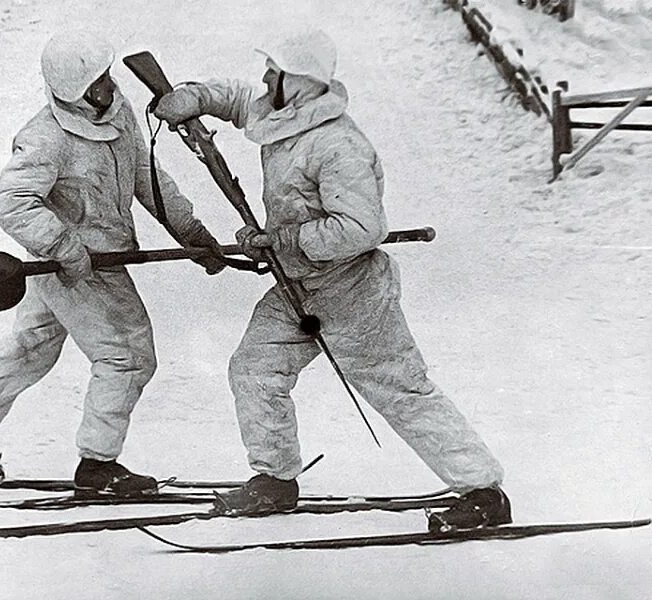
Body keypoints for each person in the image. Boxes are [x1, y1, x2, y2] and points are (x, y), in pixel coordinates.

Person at [153, 28, 510, 531]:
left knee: (400, 389)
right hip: (298, 284)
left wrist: (285, 239)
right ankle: (275, 481)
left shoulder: (339, 146)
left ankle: (482, 492)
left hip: (353, 290)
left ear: (298, 83)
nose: (264, 78)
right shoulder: (283, 113)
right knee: (255, 369)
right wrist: (193, 97)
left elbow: (363, 228)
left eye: (274, 71)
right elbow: (237, 99)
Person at [0, 32, 224, 496]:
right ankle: (98, 466)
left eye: (107, 75)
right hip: (76, 268)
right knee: (127, 358)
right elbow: (13, 203)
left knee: (32, 346)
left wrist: (191, 233)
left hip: (85, 262)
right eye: (98, 80)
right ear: (73, 88)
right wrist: (66, 249)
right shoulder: (46, 137)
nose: (110, 85)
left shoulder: (120, 115)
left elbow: (147, 178)